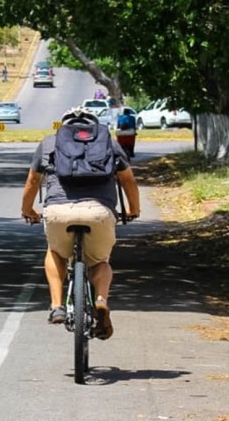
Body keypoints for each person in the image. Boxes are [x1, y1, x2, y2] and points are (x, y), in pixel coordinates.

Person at [20, 108, 140, 340]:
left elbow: (33, 180)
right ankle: (101, 301)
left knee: (55, 252)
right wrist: (134, 209)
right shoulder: (108, 143)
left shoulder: (49, 143)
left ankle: (56, 305)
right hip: (99, 212)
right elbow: (128, 180)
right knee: (100, 262)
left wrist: (28, 210)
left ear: (63, 126)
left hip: (58, 212)